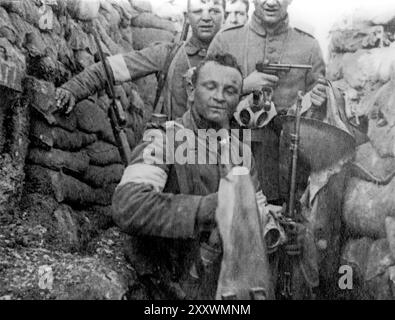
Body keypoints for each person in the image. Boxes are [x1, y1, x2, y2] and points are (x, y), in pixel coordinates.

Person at [111, 53, 279, 300]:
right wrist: (205, 208)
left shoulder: (240, 152)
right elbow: (128, 205)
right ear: (191, 90)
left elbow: (256, 214)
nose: (220, 97)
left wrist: (277, 225)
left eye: (230, 90)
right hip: (171, 283)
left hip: (222, 284)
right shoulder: (164, 139)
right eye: (210, 87)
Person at [207, 0, 327, 203]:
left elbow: (318, 119)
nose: (271, 2)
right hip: (231, 158)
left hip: (287, 169)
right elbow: (204, 97)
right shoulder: (226, 40)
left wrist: (315, 101)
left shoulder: (309, 47)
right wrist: (243, 86)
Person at [55, 0, 226, 120]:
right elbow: (110, 69)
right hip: (178, 153)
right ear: (187, 17)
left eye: (215, 11)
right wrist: (73, 89)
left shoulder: (238, 58)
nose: (206, 18)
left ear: (224, 16)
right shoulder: (169, 54)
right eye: (197, 11)